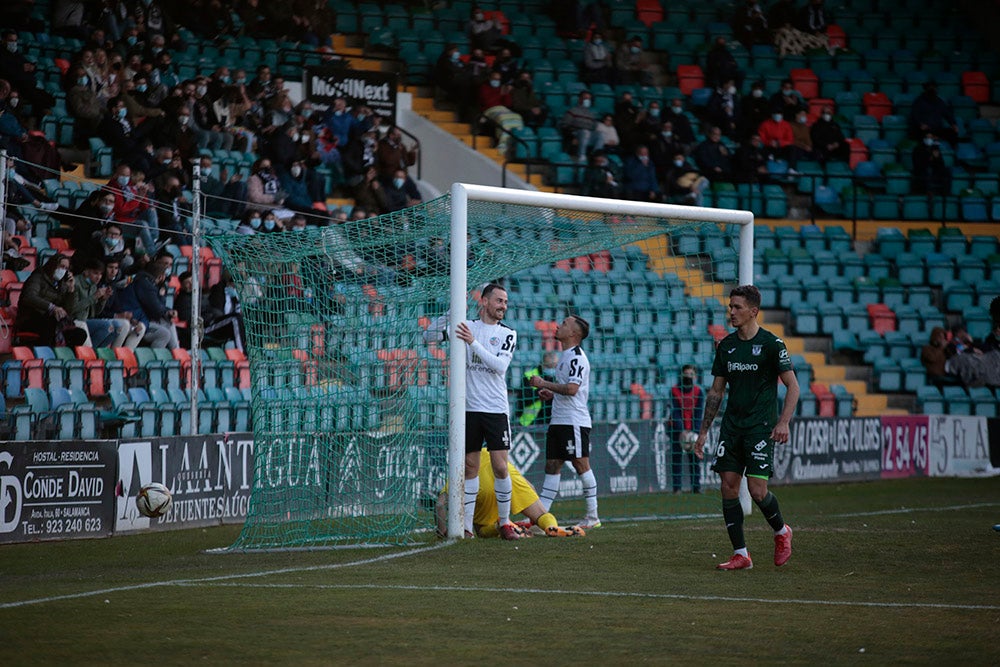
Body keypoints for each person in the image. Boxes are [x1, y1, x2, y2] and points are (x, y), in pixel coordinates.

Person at [694, 285, 798, 570]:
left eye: (737, 307)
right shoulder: (726, 346)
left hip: (759, 428)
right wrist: (704, 431)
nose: (731, 312)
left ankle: (781, 532)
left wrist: (784, 422)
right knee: (727, 486)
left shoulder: (772, 345)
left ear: (754, 311)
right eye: (730, 306)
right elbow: (716, 392)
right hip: (732, 427)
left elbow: (793, 386)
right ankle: (741, 554)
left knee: (757, 491)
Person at [423, 284, 521, 540]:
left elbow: (500, 366)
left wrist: (473, 343)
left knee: (501, 467)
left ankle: (505, 522)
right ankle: (465, 527)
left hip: (496, 409)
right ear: (485, 302)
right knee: (470, 467)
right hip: (468, 409)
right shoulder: (466, 325)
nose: (503, 306)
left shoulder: (508, 333)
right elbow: (428, 337)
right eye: (499, 301)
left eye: (506, 302)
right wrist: (450, 312)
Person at [530, 315, 600, 530]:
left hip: (573, 420)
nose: (558, 325)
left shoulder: (577, 357)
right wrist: (551, 393)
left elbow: (572, 389)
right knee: (552, 465)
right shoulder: (565, 356)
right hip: (559, 420)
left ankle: (592, 516)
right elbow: (568, 390)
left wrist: (544, 383)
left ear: (573, 333)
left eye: (565, 324)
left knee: (581, 464)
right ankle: (539, 518)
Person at [435, 449, 584, 538]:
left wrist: (442, 532)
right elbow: (530, 486)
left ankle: (499, 526)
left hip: (480, 485)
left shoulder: (463, 466)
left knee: (480, 530)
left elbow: (440, 505)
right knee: (540, 514)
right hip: (506, 478)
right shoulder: (493, 455)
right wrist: (533, 515)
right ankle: (551, 527)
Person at [14, 253, 87, 347]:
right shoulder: (38, 277)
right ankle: (44, 354)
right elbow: (29, 297)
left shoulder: (62, 284)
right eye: (61, 266)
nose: (63, 270)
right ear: (53, 265)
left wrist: (71, 290)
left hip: (50, 319)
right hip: (29, 318)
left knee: (79, 334)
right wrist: (52, 307)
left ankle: (63, 357)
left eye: (66, 268)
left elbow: (69, 309)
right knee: (51, 324)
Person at [669, 365, 704, 494]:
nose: (688, 376)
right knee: (676, 458)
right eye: (686, 374)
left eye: (691, 374)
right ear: (682, 375)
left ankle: (696, 486)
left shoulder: (698, 392)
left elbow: (699, 413)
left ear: (694, 376)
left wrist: (694, 431)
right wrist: (681, 430)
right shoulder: (674, 391)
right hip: (676, 431)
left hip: (692, 431)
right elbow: (675, 411)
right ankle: (677, 487)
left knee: (695, 459)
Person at [516, 351, 558, 427]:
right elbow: (524, 399)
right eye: (549, 367)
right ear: (542, 364)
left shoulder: (557, 377)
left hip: (552, 422)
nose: (552, 370)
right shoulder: (529, 376)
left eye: (554, 367)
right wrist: (544, 387)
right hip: (530, 422)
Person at [909, 81, 958, 145]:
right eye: (930, 87)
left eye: (934, 88)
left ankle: (954, 151)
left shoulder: (939, 102)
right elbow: (914, 116)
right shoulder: (918, 102)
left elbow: (947, 114)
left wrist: (953, 124)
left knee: (952, 133)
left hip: (937, 130)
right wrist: (920, 124)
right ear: (925, 89)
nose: (932, 89)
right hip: (924, 130)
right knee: (921, 133)